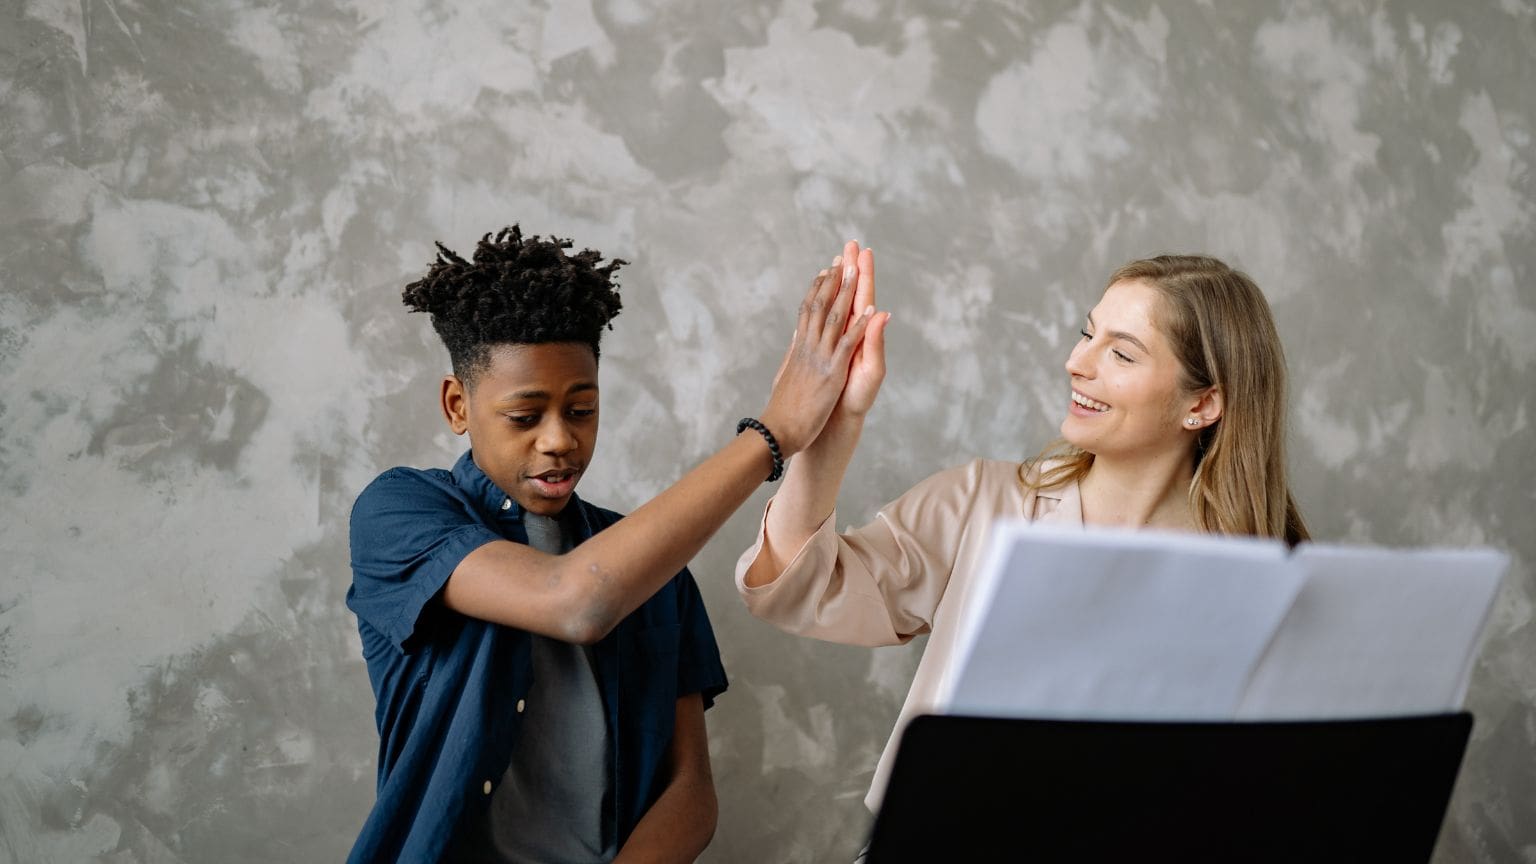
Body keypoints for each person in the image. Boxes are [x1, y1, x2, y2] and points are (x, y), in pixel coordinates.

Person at [345, 226, 880, 863]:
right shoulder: (399, 511)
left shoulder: (658, 572)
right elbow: (577, 600)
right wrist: (774, 434)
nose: (558, 440)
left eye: (581, 409)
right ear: (458, 404)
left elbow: (691, 791)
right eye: (524, 416)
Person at [735, 244, 1310, 818]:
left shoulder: (1258, 580)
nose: (1077, 363)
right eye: (1088, 334)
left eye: (1122, 355)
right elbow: (795, 589)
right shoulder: (983, 504)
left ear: (1203, 403)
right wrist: (832, 427)